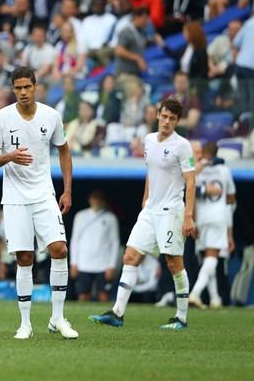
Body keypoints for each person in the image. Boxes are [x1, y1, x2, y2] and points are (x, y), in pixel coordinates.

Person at [0, 66, 78, 340]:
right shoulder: (1, 118)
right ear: (13, 90)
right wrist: (9, 156)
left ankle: (58, 318)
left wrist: (67, 190)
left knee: (59, 249)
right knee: (24, 258)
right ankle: (25, 323)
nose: (23, 92)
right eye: (18, 88)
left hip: (44, 194)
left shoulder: (51, 116)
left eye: (27, 87)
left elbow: (64, 150)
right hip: (14, 198)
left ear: (35, 87)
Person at [90, 98, 196, 331]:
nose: (167, 121)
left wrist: (188, 216)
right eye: (164, 116)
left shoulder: (182, 145)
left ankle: (181, 317)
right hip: (150, 211)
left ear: (177, 121)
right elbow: (151, 171)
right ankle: (117, 314)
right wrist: (145, 199)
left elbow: (191, 181)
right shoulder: (148, 140)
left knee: (174, 263)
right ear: (158, 115)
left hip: (171, 212)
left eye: (172, 118)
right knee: (130, 256)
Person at [189, 142, 236, 309]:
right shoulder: (224, 171)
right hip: (218, 216)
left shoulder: (198, 171)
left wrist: (193, 219)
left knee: (208, 257)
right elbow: (231, 197)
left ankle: (215, 299)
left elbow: (190, 192)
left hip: (201, 217)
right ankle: (195, 292)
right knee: (212, 257)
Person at [70, 190, 120, 302]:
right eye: (94, 198)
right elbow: (75, 240)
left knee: (104, 295)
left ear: (103, 201)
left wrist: (112, 265)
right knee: (83, 294)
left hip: (103, 264)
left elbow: (115, 242)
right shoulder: (80, 216)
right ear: (89, 200)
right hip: (83, 262)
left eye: (99, 198)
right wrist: (74, 263)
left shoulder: (110, 218)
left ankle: (105, 318)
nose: (96, 201)